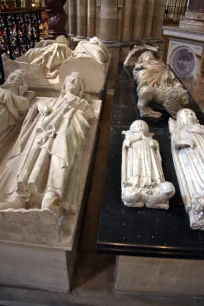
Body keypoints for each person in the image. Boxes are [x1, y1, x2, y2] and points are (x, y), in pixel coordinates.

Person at [0, 72, 94, 211]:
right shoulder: (50, 101)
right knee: (30, 157)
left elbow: (89, 114)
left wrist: (72, 101)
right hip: (42, 132)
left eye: (75, 82)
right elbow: (35, 107)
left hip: (65, 130)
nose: (72, 84)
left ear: (80, 89)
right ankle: (18, 198)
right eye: (70, 81)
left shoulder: (81, 103)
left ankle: (51, 197)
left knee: (60, 153)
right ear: (64, 85)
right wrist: (39, 106)